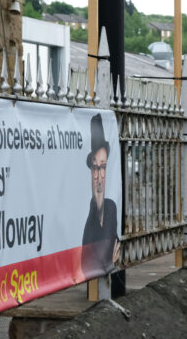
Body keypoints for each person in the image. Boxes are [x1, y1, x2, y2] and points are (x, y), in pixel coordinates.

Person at [82, 114, 120, 277]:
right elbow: (86, 266)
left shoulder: (111, 207)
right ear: (91, 170)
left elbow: (117, 247)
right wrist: (109, 261)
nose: (99, 175)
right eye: (96, 167)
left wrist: (110, 261)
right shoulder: (89, 223)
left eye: (103, 167)